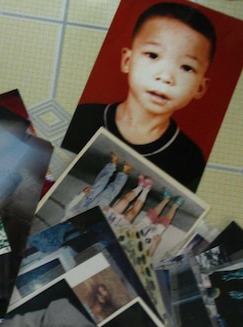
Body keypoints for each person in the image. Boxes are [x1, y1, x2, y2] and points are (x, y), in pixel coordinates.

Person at [62, 2, 216, 191]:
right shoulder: (82, 117)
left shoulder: (189, 159)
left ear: (200, 87)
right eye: (153, 55)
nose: (165, 77)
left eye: (186, 67)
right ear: (127, 60)